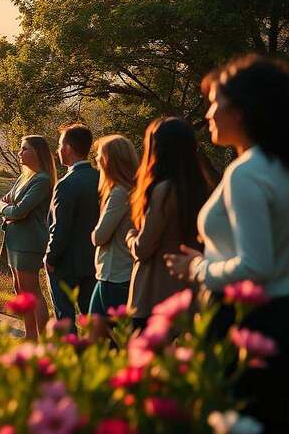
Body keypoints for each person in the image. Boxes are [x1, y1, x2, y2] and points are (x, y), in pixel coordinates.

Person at [165, 55, 289, 429]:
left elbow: (256, 266)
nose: (208, 114)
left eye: (215, 102)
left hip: (248, 322)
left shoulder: (246, 174)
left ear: (242, 109)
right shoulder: (279, 167)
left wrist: (197, 267)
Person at [126, 117, 212, 329]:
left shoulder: (163, 191)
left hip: (154, 295)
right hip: (189, 292)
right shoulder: (204, 188)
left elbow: (143, 248)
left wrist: (130, 237)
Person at [0, 135, 55, 338]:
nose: (19, 153)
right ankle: (30, 335)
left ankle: (42, 338)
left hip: (29, 242)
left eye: (24, 149)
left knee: (31, 292)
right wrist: (6, 207)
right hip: (14, 240)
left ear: (37, 152)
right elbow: (5, 201)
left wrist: (5, 208)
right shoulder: (24, 177)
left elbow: (19, 210)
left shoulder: (42, 180)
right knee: (19, 289)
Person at [45, 123, 100, 320]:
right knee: (92, 317)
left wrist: (50, 258)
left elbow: (60, 227)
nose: (58, 150)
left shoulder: (66, 184)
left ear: (68, 148)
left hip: (66, 264)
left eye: (60, 145)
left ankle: (69, 350)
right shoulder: (100, 178)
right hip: (93, 261)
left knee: (65, 318)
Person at [88, 135, 137, 318]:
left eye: (100, 155)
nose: (97, 160)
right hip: (116, 273)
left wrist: (93, 232)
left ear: (110, 160)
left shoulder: (119, 193)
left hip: (114, 275)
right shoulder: (133, 190)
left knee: (106, 337)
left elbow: (99, 236)